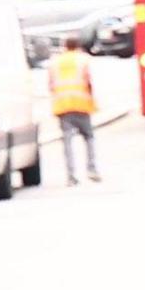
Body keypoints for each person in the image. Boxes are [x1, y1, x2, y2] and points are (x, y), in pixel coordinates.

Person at [48, 41, 101, 184]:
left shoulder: (55, 62)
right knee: (89, 138)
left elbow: (51, 84)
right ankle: (92, 169)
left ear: (64, 46)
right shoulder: (82, 60)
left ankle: (70, 175)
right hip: (81, 104)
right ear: (77, 46)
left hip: (63, 106)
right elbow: (89, 82)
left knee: (67, 142)